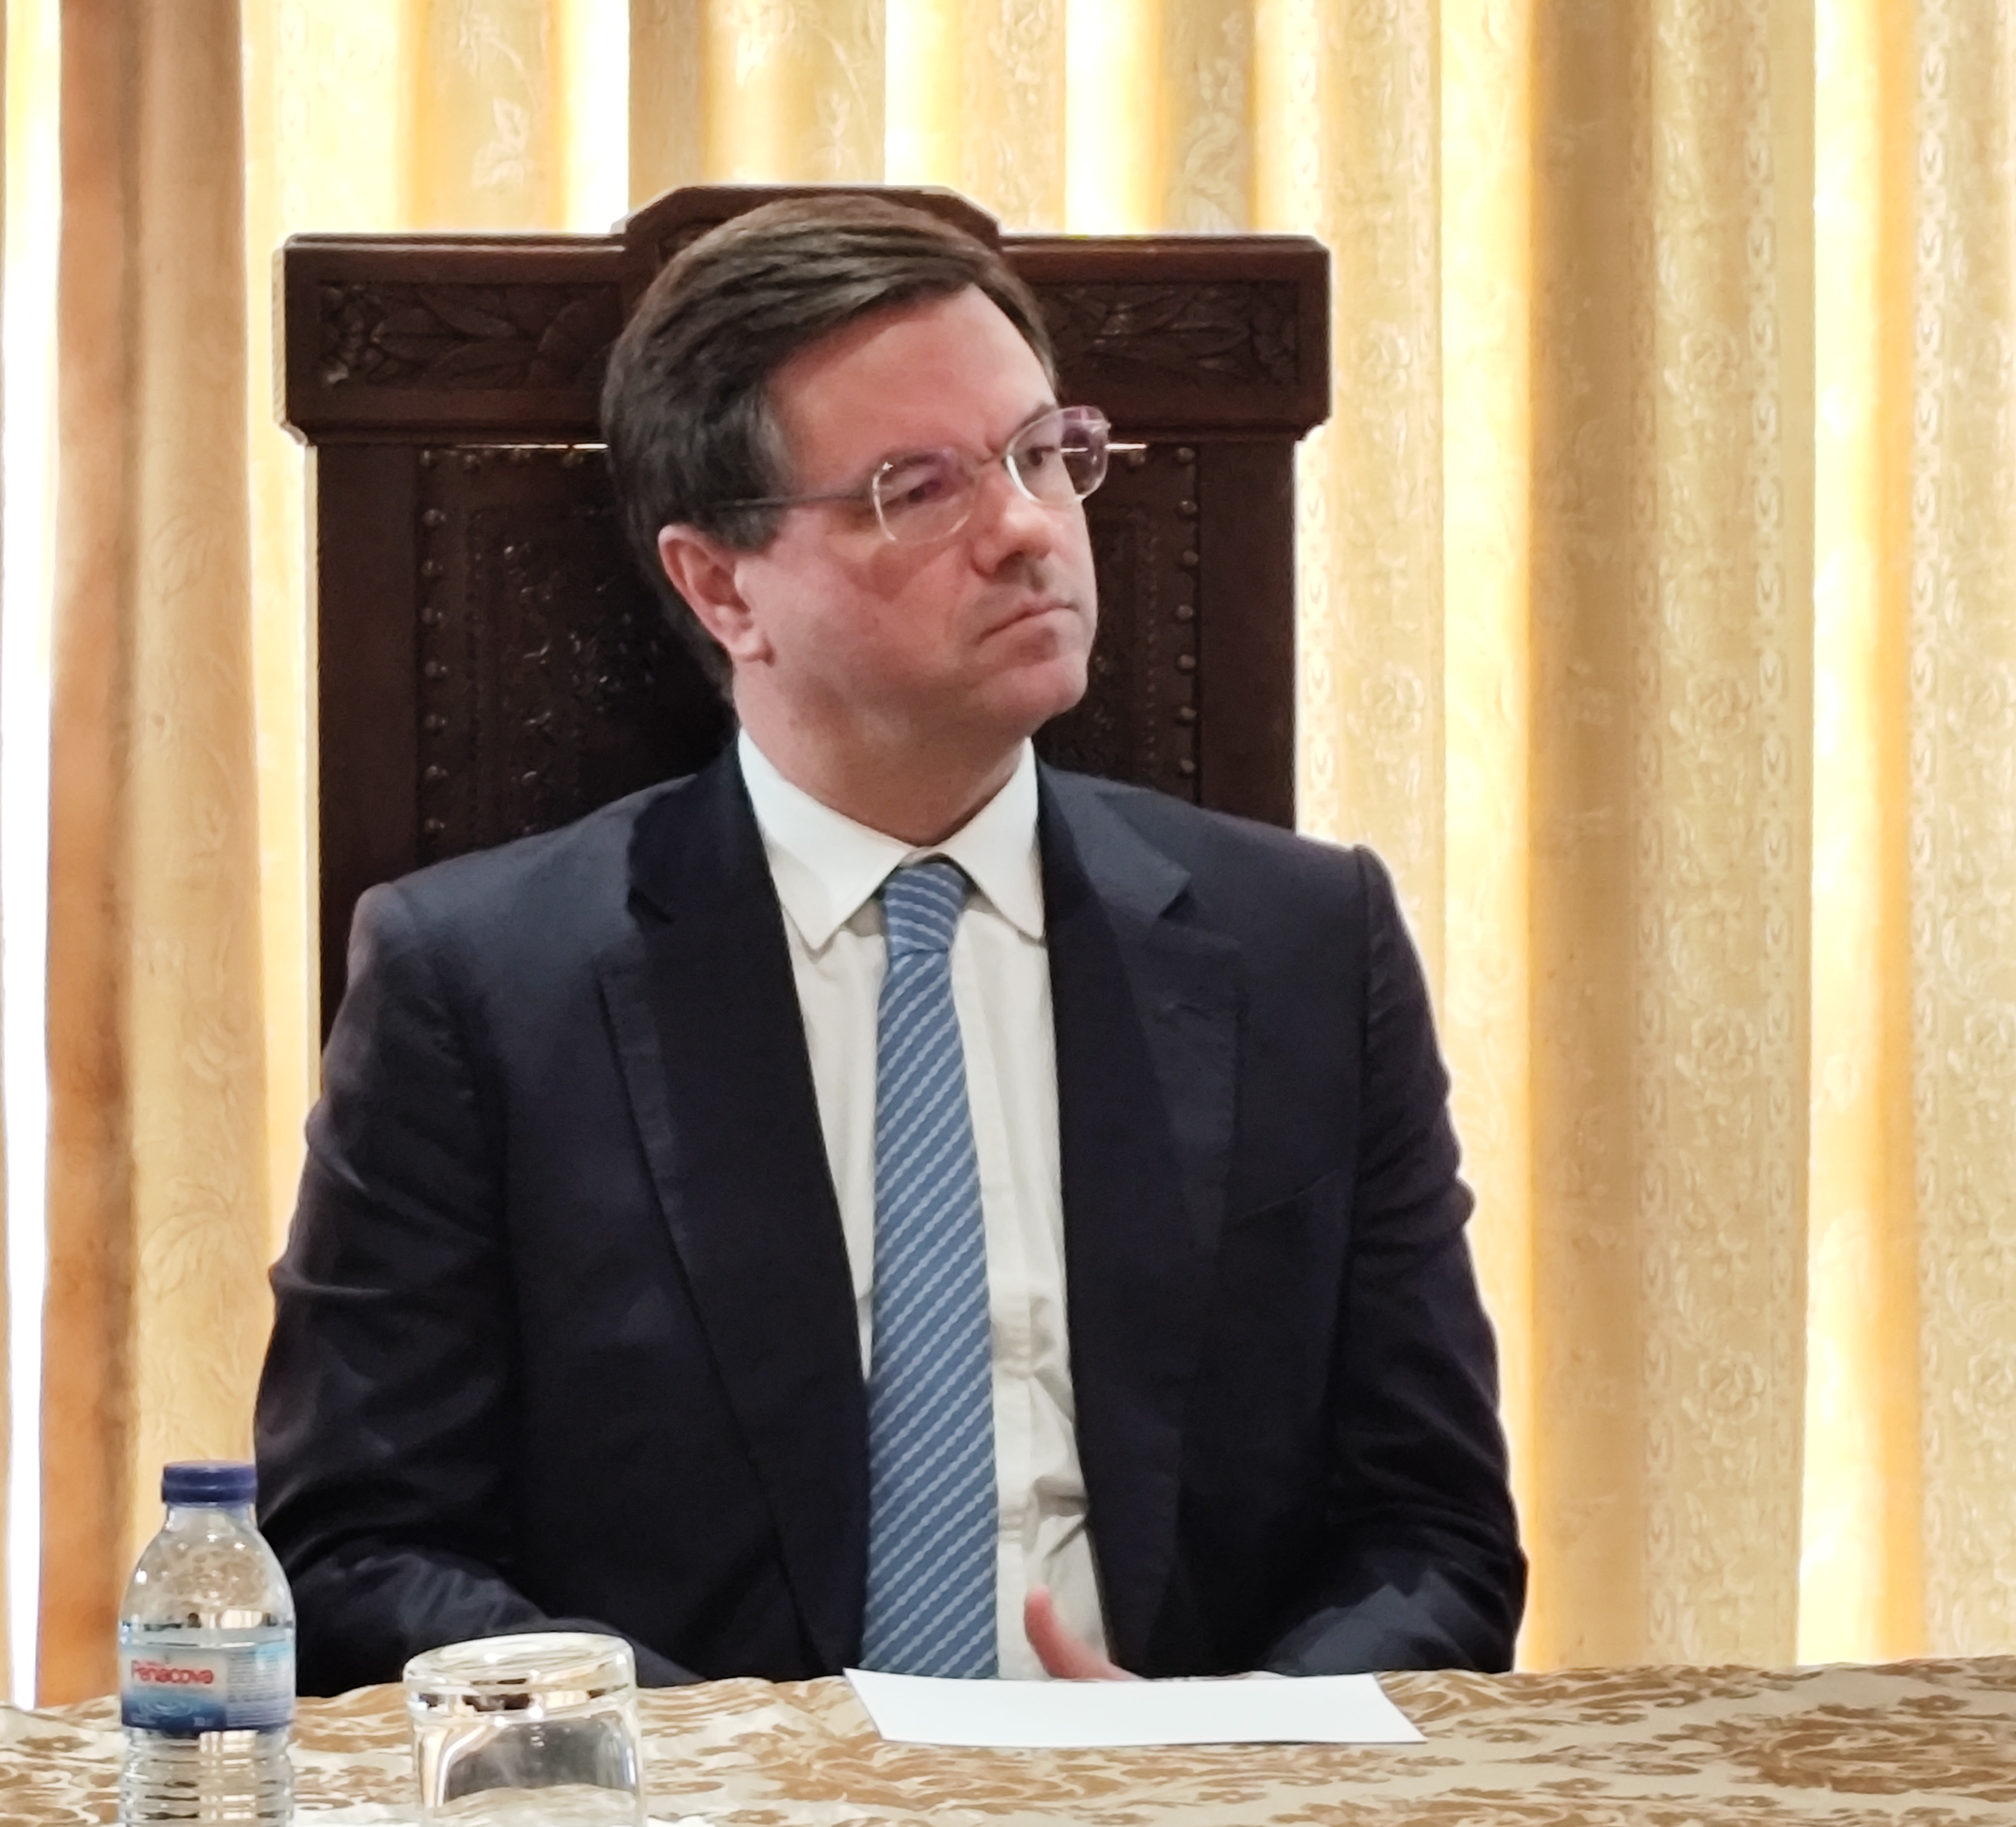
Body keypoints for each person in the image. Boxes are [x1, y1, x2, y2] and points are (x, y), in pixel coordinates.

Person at [254, 194, 1523, 1691]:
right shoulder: (481, 986)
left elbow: (1435, 1536)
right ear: (721, 585)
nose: (1029, 529)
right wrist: (746, 1767)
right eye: (916, 489)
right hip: (696, 1789)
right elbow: (352, 1548)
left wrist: (1227, 1752)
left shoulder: (1307, 947)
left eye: (1044, 453)